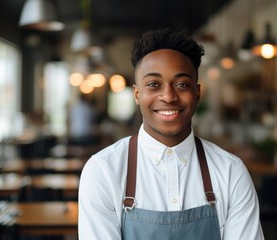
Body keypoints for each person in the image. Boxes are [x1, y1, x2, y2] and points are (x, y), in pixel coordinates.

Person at [78, 28, 264, 239]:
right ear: (137, 94)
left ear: (197, 93)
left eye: (181, 84)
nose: (168, 96)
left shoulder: (231, 172)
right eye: (153, 84)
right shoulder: (103, 171)